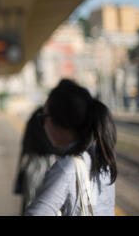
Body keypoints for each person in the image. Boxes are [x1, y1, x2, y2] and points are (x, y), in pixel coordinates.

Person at [25, 79, 117, 216]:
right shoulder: (103, 156)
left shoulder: (66, 168)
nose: (43, 125)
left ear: (61, 121)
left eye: (44, 117)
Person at [13, 106, 60, 213]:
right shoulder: (47, 116)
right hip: (41, 167)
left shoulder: (37, 115)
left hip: (33, 166)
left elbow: (25, 144)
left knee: (32, 204)